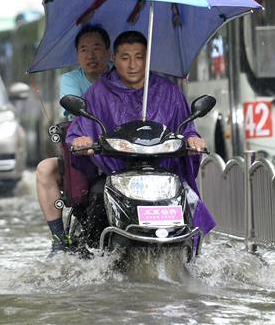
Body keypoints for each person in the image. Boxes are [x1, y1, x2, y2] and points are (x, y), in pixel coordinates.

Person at [67, 30, 216, 242]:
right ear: (113, 58)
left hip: (163, 174)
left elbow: (186, 127)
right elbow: (79, 130)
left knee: (187, 199)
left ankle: (186, 247)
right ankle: (95, 255)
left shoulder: (169, 91)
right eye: (125, 57)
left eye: (139, 57)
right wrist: (81, 140)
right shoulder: (98, 93)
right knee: (98, 195)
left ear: (148, 59)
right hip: (115, 175)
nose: (133, 65)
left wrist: (193, 139)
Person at [35, 24, 111, 254]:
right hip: (86, 151)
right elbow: (77, 113)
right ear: (77, 55)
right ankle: (59, 240)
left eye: (97, 48)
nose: (91, 55)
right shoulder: (70, 79)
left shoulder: (120, 76)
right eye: (84, 50)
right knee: (45, 169)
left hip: (122, 150)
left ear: (108, 52)